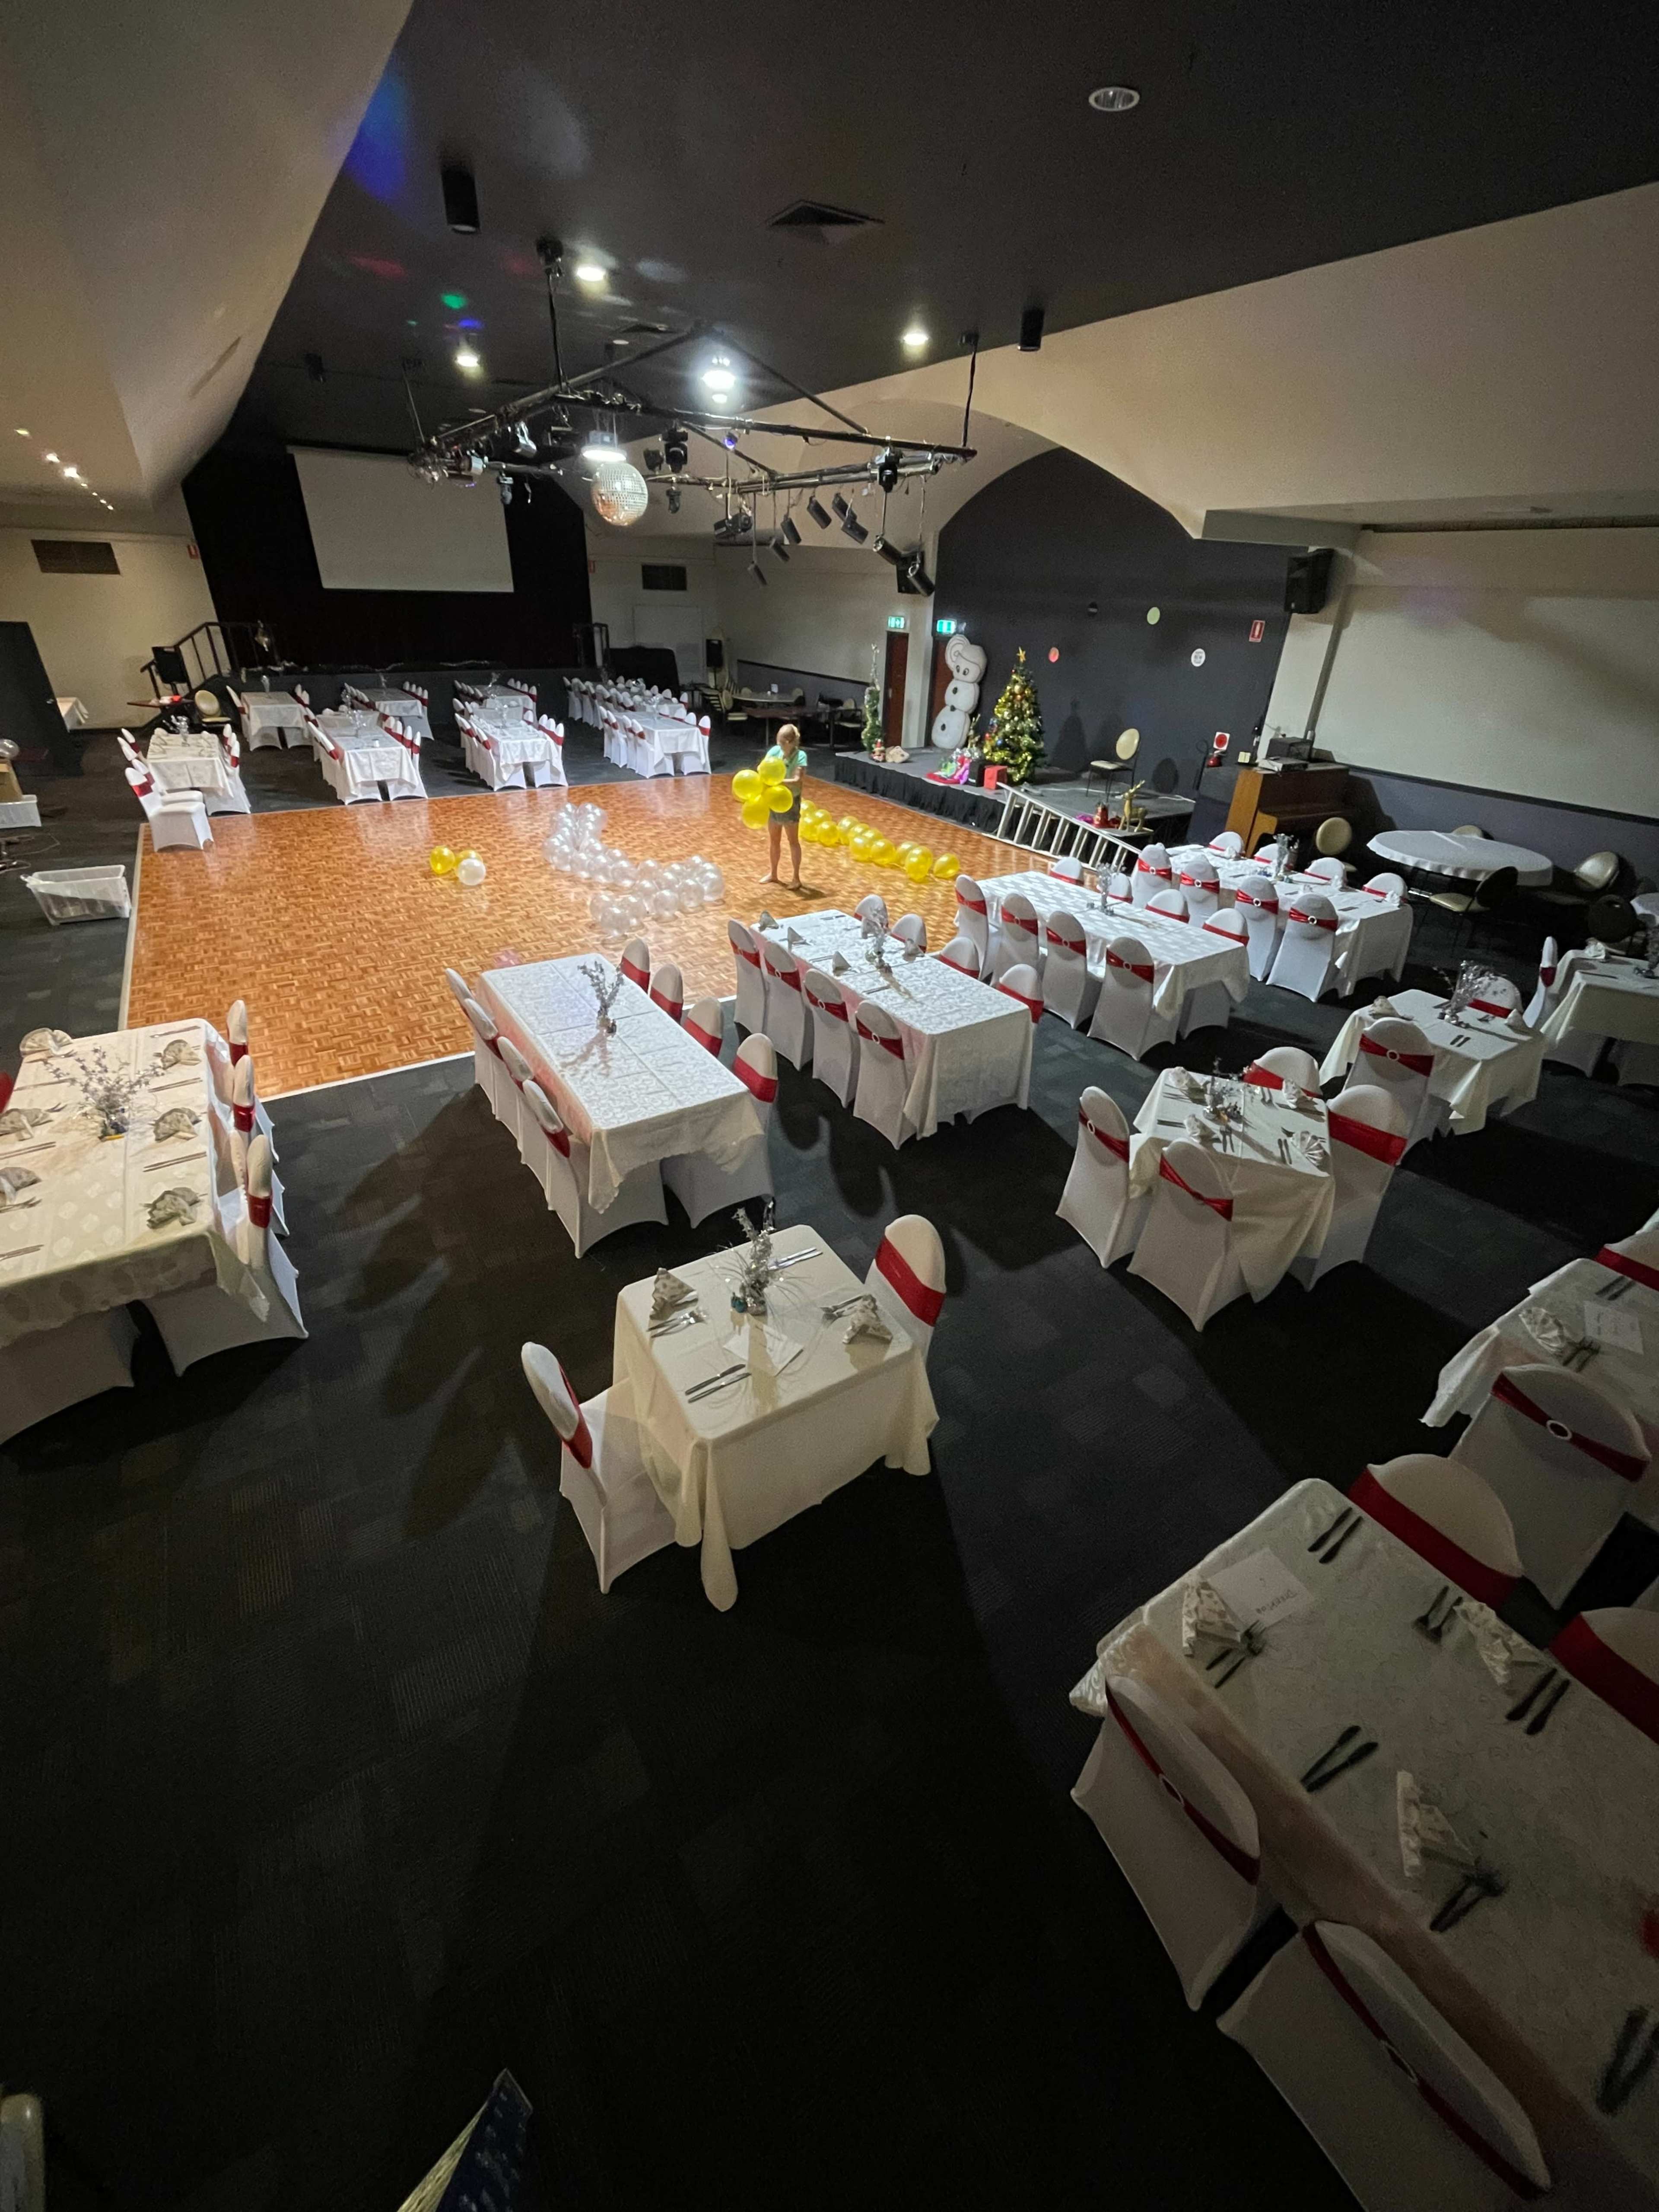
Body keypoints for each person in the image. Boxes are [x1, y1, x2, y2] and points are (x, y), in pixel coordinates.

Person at [760, 722, 808, 890]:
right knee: (774, 839)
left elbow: (797, 780)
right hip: (774, 801)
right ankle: (773, 874)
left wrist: (778, 782)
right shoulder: (775, 752)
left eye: (782, 743)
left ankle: (796, 878)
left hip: (790, 803)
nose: (779, 746)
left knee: (793, 841)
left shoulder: (801, 756)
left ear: (789, 743)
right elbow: (763, 769)